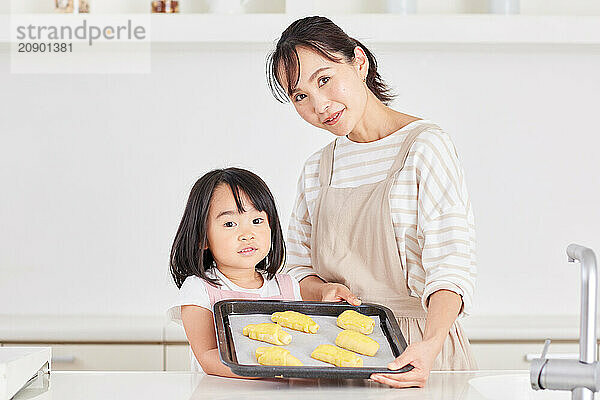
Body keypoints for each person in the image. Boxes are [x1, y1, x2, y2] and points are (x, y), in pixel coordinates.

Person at [266, 16, 477, 388]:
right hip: (336, 352)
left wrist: (429, 345)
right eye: (300, 96)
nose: (319, 105)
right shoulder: (318, 168)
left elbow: (451, 266)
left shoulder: (425, 146)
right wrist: (325, 292)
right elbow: (299, 270)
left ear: (359, 62)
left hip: (418, 349)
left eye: (324, 79)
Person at [167, 167, 302, 377]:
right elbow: (208, 356)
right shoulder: (199, 289)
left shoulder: (287, 286)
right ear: (203, 237)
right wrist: (271, 372)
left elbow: (299, 346)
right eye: (230, 224)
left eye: (257, 221)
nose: (247, 234)